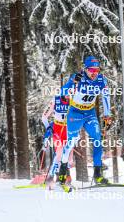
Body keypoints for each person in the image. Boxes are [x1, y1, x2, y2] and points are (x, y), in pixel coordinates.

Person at [58, 56, 112, 185]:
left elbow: (106, 97)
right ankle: (63, 171)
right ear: (85, 69)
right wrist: (70, 87)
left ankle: (98, 174)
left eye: (97, 70)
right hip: (75, 113)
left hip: (90, 114)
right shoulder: (78, 78)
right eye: (91, 70)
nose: (94, 73)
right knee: (71, 142)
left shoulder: (101, 80)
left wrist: (107, 116)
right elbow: (63, 91)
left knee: (97, 139)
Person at [42, 95, 72, 183]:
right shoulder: (55, 100)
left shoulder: (74, 100)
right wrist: (49, 128)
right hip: (58, 130)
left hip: (69, 130)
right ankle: (52, 177)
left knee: (69, 158)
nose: (68, 96)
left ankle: (67, 176)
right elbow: (44, 117)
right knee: (59, 154)